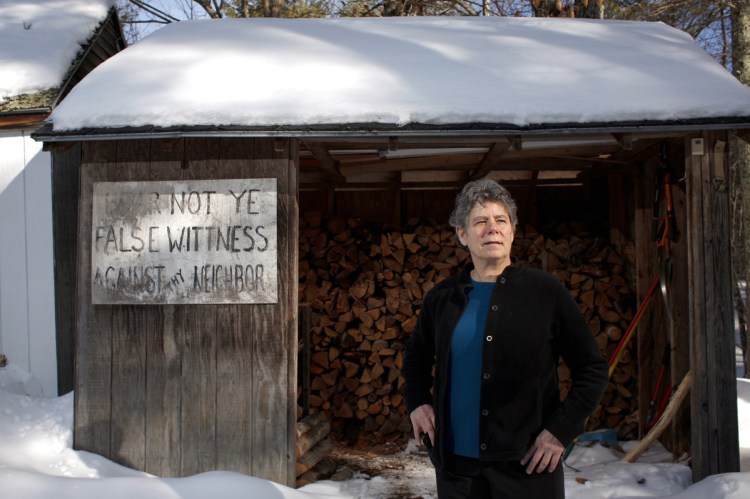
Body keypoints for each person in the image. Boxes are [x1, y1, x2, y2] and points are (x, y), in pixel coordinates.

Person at [402, 178, 608, 499]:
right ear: (462, 234)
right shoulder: (442, 298)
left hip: (528, 467)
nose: (492, 229)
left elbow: (592, 368)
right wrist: (417, 401)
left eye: (501, 220)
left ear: (512, 231)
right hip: (457, 470)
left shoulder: (546, 292)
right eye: (480, 222)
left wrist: (559, 431)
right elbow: (416, 358)